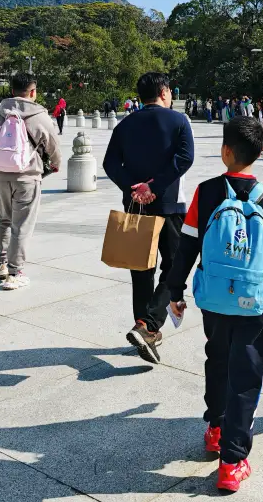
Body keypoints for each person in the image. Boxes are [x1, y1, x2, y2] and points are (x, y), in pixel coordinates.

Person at [167, 116, 263, 493]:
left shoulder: (205, 193)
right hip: (253, 302)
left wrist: (175, 291)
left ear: (225, 151)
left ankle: (216, 429)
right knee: (247, 374)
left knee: (217, 358)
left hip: (215, 299)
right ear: (262, 151)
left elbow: (185, 248)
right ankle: (232, 461)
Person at [103, 72, 194, 364]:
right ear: (165, 92)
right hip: (169, 205)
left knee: (140, 268)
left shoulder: (125, 123)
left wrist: (135, 189)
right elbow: (185, 158)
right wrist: (154, 187)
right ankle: (149, 325)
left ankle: (143, 324)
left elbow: (110, 163)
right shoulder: (179, 121)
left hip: (136, 205)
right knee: (175, 267)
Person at [0, 72, 62, 290]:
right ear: (33, 92)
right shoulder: (40, 116)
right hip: (27, 176)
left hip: (1, 175)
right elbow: (53, 146)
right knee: (22, 224)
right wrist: (56, 163)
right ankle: (16, 271)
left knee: (4, 219)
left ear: (12, 91)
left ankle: (2, 264)